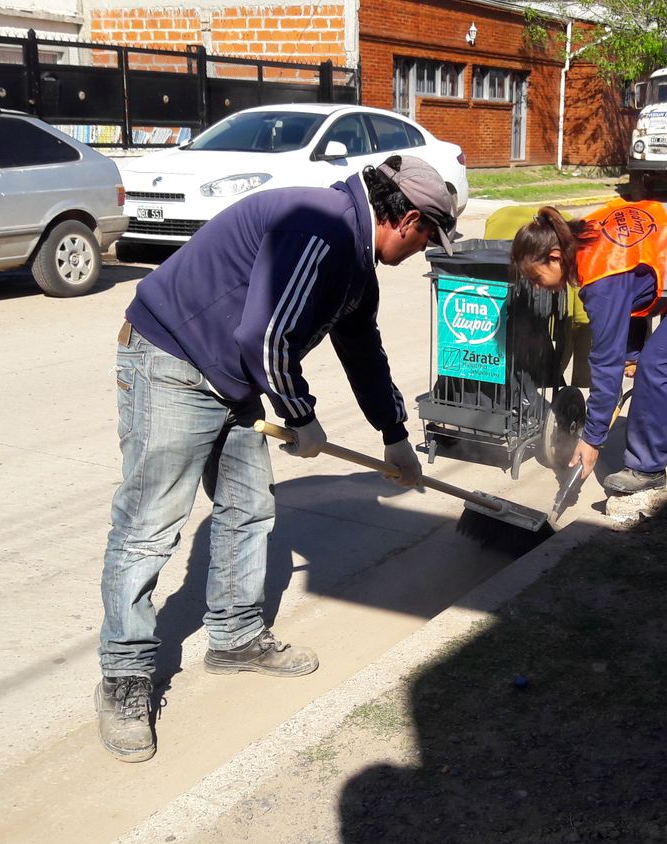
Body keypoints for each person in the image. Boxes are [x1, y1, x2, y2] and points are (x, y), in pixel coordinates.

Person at [96, 155, 459, 763]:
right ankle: (125, 678)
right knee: (149, 529)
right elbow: (264, 336)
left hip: (230, 379)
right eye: (430, 238)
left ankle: (234, 638)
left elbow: (361, 347)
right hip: (172, 363)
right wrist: (301, 415)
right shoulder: (322, 226)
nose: (426, 250)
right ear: (410, 219)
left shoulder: (353, 259)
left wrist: (393, 433)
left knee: (249, 510)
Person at [511, 201, 667, 495]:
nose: (536, 287)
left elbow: (606, 364)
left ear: (555, 257)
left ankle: (646, 468)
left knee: (657, 362)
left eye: (536, 278)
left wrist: (592, 440)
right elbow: (634, 289)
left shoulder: (601, 277)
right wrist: (632, 351)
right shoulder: (582, 237)